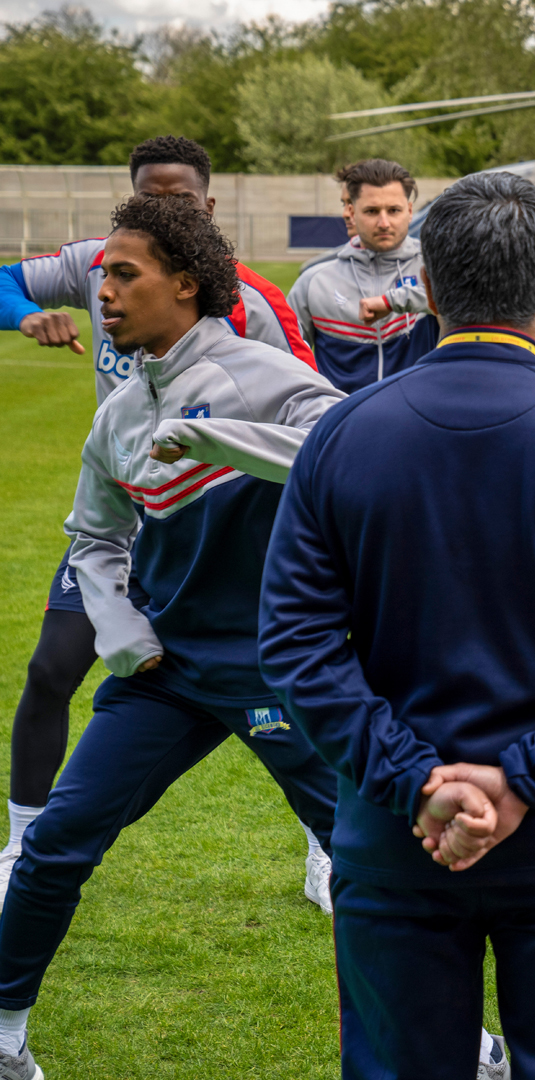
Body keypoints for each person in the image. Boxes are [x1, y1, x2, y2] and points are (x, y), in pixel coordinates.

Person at [258, 171, 535, 1080]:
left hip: (396, 836)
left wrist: (418, 781)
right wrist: (523, 780)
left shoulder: (343, 436)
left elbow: (296, 646)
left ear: (426, 289)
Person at [0, 193, 345, 1079]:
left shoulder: (262, 373)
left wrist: (226, 442)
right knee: (55, 845)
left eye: (124, 274)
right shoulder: (120, 411)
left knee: (370, 872)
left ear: (185, 286)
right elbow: (94, 536)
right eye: (101, 275)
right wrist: (117, 627)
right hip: (164, 672)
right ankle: (3, 1036)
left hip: (276, 669)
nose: (102, 291)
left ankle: (467, 1046)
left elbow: (360, 455)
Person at [288, 158, 435, 393]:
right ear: (351, 212)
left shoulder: (435, 266)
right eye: (372, 211)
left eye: (394, 210)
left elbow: (470, 299)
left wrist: (392, 301)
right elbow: (283, 363)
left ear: (409, 211)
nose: (384, 222)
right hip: (342, 425)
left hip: (419, 423)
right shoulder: (314, 282)